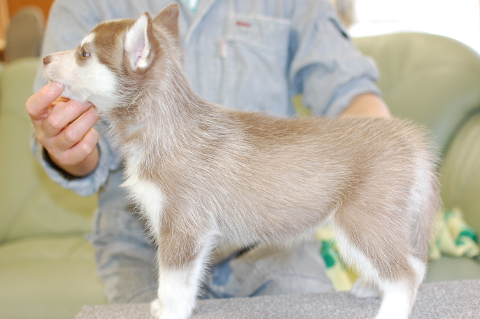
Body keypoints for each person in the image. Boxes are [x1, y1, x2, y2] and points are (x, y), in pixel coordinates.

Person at [26, 0, 391, 304]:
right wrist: (69, 146)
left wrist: (377, 165)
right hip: (141, 240)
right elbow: (69, 140)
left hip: (267, 235)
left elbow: (350, 88)